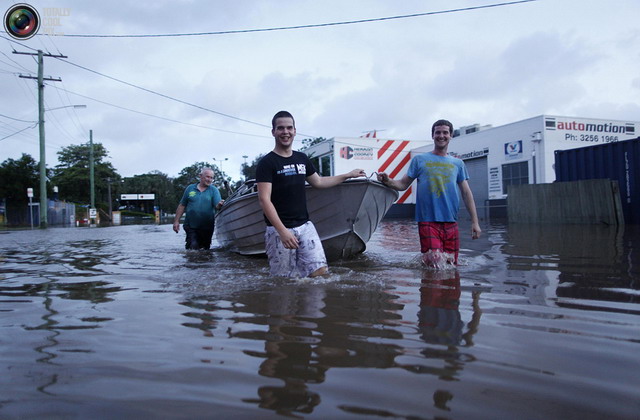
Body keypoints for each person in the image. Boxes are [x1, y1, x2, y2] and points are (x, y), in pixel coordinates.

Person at [256, 110, 366, 278]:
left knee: (320, 273)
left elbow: (319, 182)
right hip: (279, 229)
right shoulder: (267, 163)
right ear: (273, 132)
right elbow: (264, 200)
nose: (285, 132)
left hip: (305, 226)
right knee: (283, 281)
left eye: (289, 128)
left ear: (294, 130)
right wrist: (283, 231)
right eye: (280, 128)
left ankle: (311, 304)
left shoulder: (302, 158)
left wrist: (347, 175)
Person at [377, 119, 481, 266]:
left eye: (445, 132)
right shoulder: (420, 160)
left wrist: (475, 222)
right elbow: (402, 184)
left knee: (451, 265)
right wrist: (387, 180)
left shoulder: (458, 163)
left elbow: (466, 193)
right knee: (435, 262)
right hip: (427, 220)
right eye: (438, 132)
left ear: (451, 136)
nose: (441, 135)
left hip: (451, 221)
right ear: (432, 135)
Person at [173, 167, 224, 250]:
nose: (209, 180)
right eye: (207, 177)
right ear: (200, 176)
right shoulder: (190, 188)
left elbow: (217, 206)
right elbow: (182, 205)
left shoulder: (214, 190)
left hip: (207, 226)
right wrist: (176, 221)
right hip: (190, 226)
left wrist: (220, 204)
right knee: (193, 247)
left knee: (205, 250)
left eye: (211, 178)